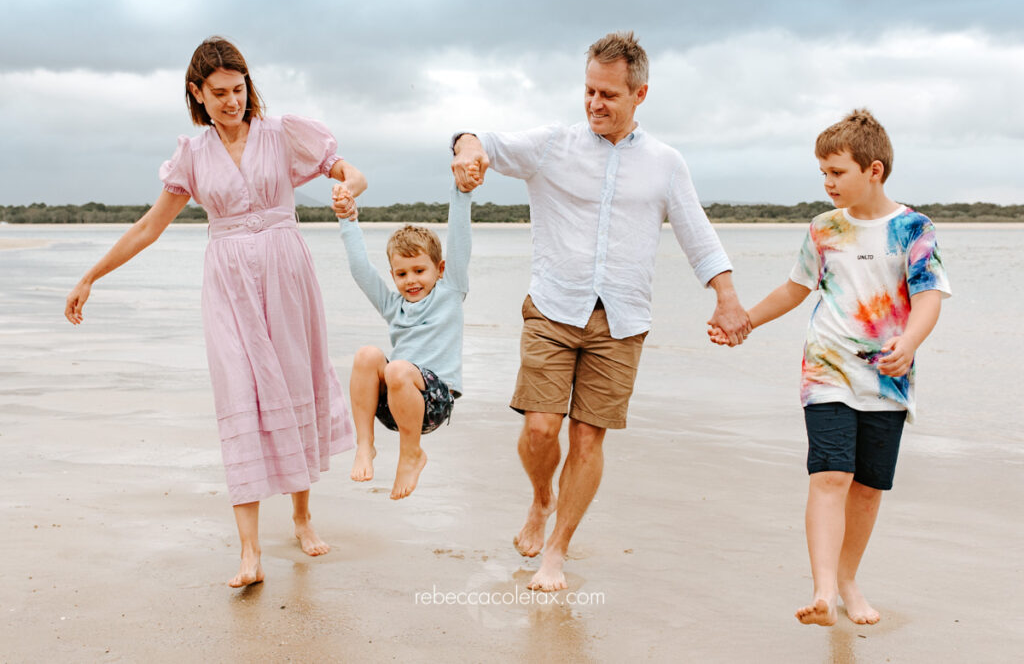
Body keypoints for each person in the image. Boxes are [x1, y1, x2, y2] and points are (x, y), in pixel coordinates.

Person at [450, 31, 750, 591]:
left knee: (588, 438)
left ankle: (556, 552)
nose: (594, 103)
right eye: (589, 90)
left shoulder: (665, 163)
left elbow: (697, 234)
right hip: (552, 309)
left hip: (622, 321)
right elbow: (478, 138)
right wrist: (468, 155)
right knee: (542, 429)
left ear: (640, 94)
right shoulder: (552, 145)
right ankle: (541, 498)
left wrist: (726, 297)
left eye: (608, 94)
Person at [64, 36, 366, 588]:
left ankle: (301, 516)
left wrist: (350, 189)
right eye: (220, 93)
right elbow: (148, 227)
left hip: (286, 273)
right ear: (196, 94)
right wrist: (90, 276)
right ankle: (249, 552)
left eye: (240, 88)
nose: (233, 101)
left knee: (293, 382)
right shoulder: (193, 155)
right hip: (228, 285)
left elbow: (349, 172)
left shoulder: (280, 134)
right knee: (239, 394)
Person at [710, 109, 951, 625]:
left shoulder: (914, 228)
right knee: (831, 475)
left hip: (888, 378)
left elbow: (929, 298)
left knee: (866, 489)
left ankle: (847, 581)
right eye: (823, 173)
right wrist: (743, 321)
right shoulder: (823, 229)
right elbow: (795, 289)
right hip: (827, 371)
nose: (827, 183)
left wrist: (908, 343)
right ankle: (821, 592)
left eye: (837, 172)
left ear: (874, 170)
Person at [334, 180, 474, 500]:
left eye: (419, 270)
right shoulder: (392, 306)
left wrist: (461, 192)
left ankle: (411, 454)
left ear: (439, 269)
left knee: (397, 368)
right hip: (396, 407)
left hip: (434, 402)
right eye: (402, 274)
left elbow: (461, 237)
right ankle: (365, 445)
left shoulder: (450, 292)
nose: (411, 280)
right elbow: (360, 269)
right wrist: (347, 219)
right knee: (368, 354)